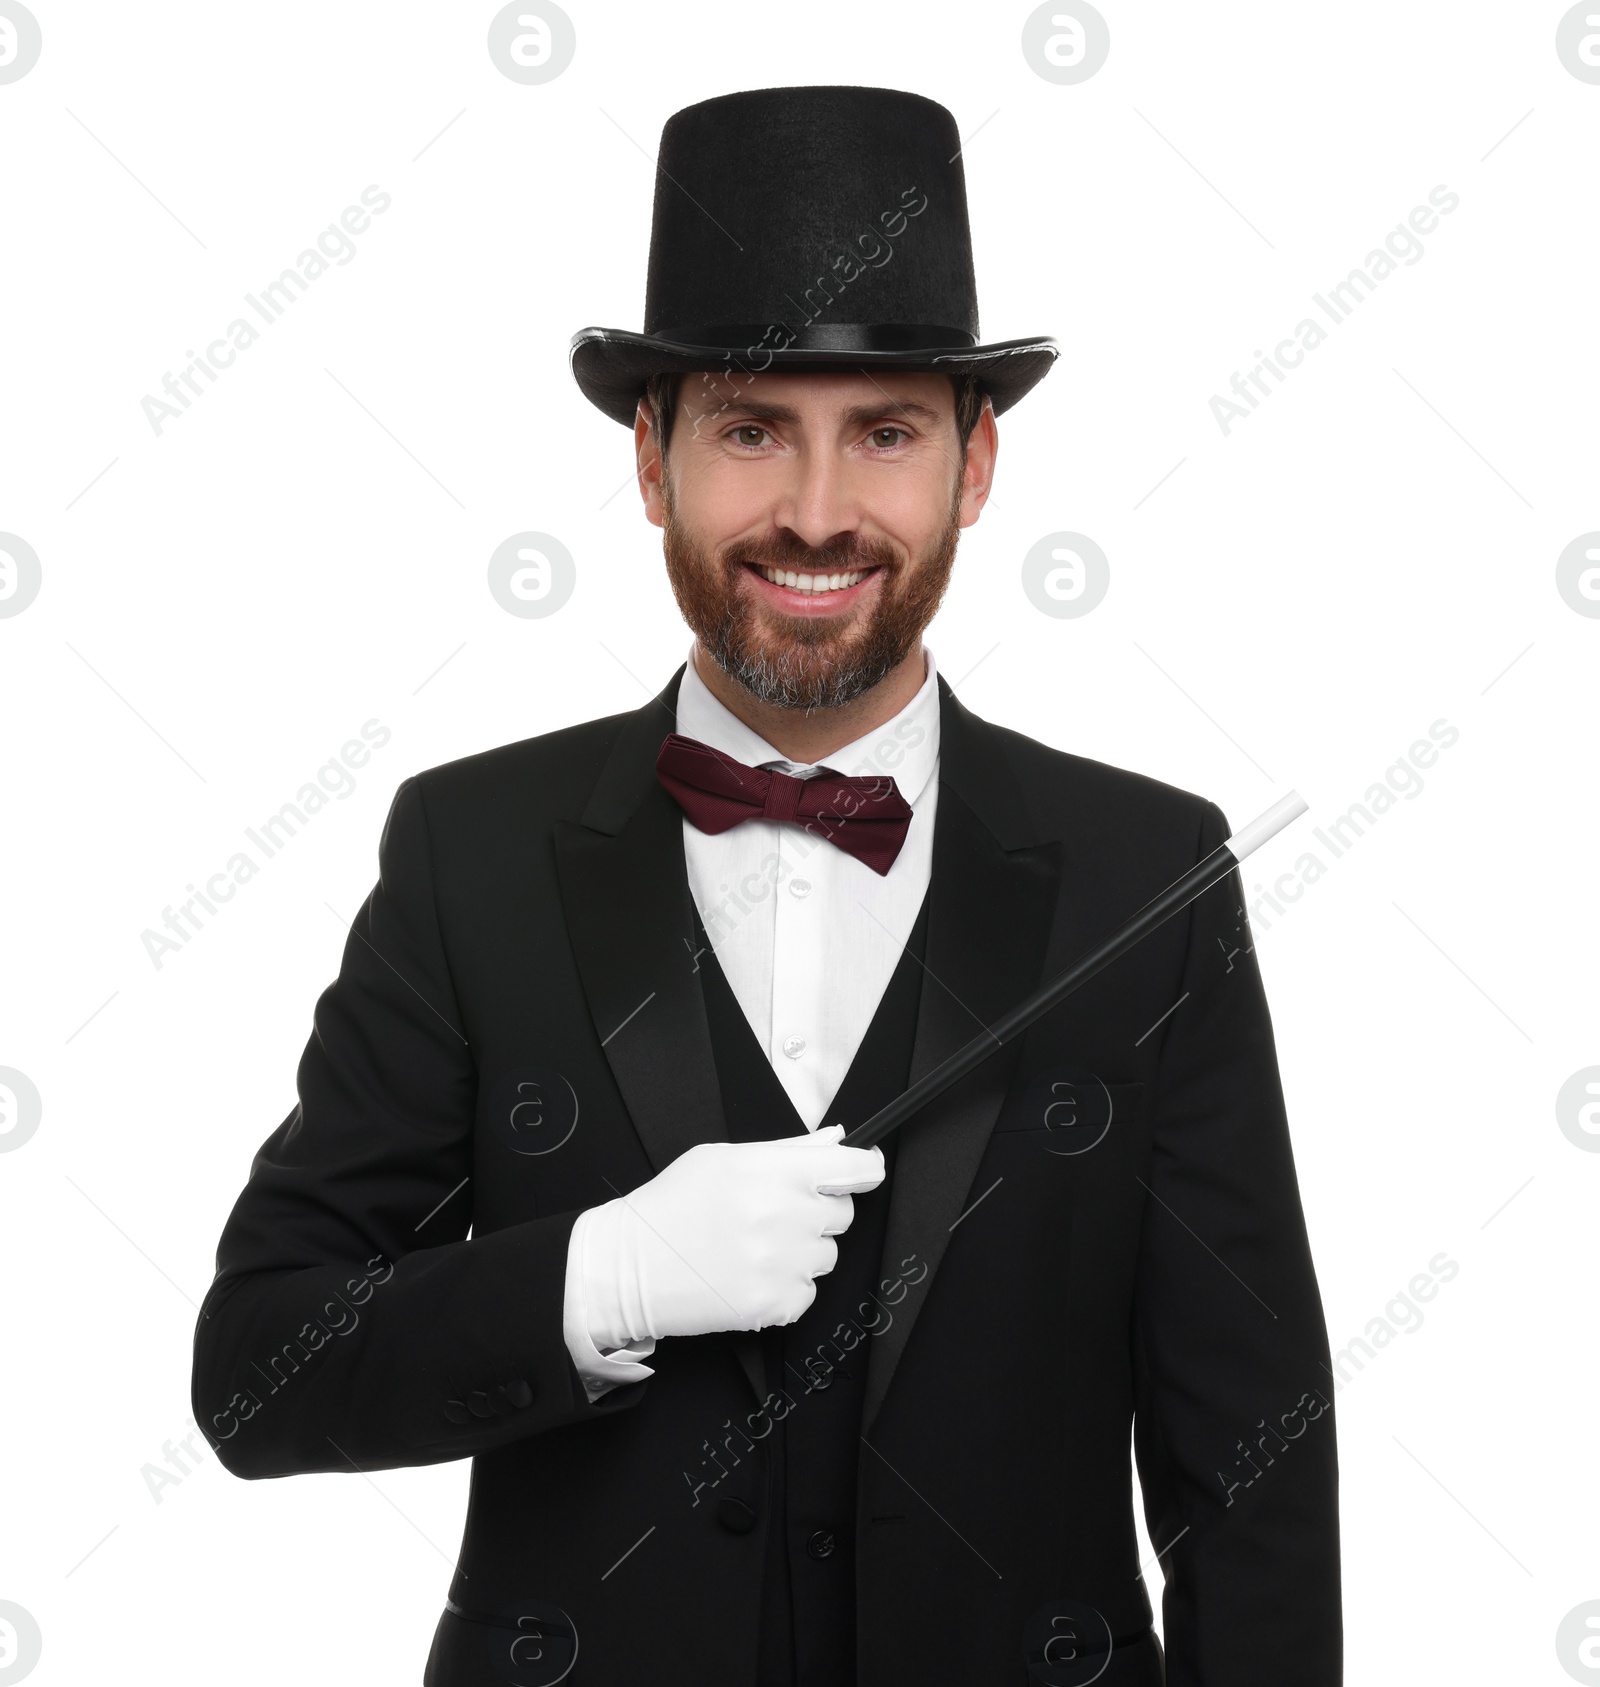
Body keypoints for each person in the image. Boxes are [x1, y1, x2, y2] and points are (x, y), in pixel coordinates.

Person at [192, 85, 1341, 1687]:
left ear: (976, 461)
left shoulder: (1151, 876)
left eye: (882, 430)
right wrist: (602, 1274)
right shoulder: (469, 852)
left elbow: (1256, 1469)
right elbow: (257, 1374)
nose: (814, 511)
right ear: (651, 459)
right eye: (748, 428)